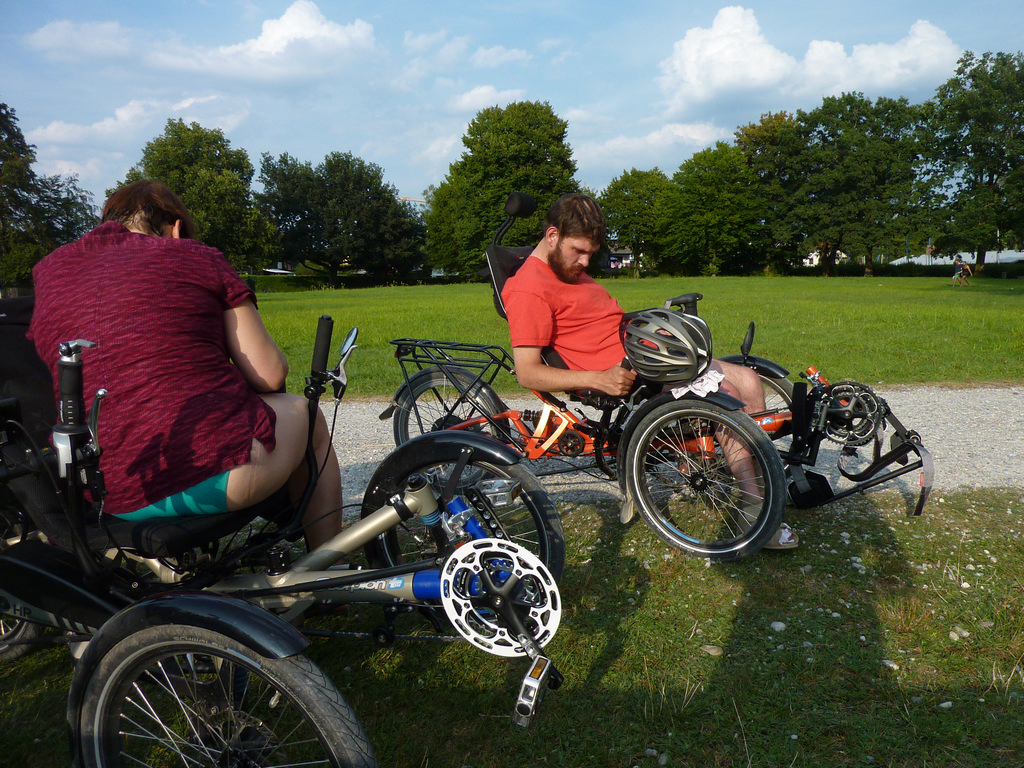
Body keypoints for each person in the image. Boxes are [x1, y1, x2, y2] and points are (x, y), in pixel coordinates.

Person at [29, 180, 343, 549]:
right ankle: (329, 564)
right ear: (175, 228)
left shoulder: (50, 272)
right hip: (213, 476)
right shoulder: (195, 256)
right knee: (306, 414)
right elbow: (269, 374)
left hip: (100, 490)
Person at [501, 193, 797, 550]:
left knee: (749, 380)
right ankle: (755, 511)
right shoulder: (529, 289)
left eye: (591, 253)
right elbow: (528, 373)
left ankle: (760, 485)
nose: (585, 262)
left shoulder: (566, 269)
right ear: (552, 235)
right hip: (625, 373)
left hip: (645, 355)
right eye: (579, 251)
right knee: (726, 397)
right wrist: (597, 378)